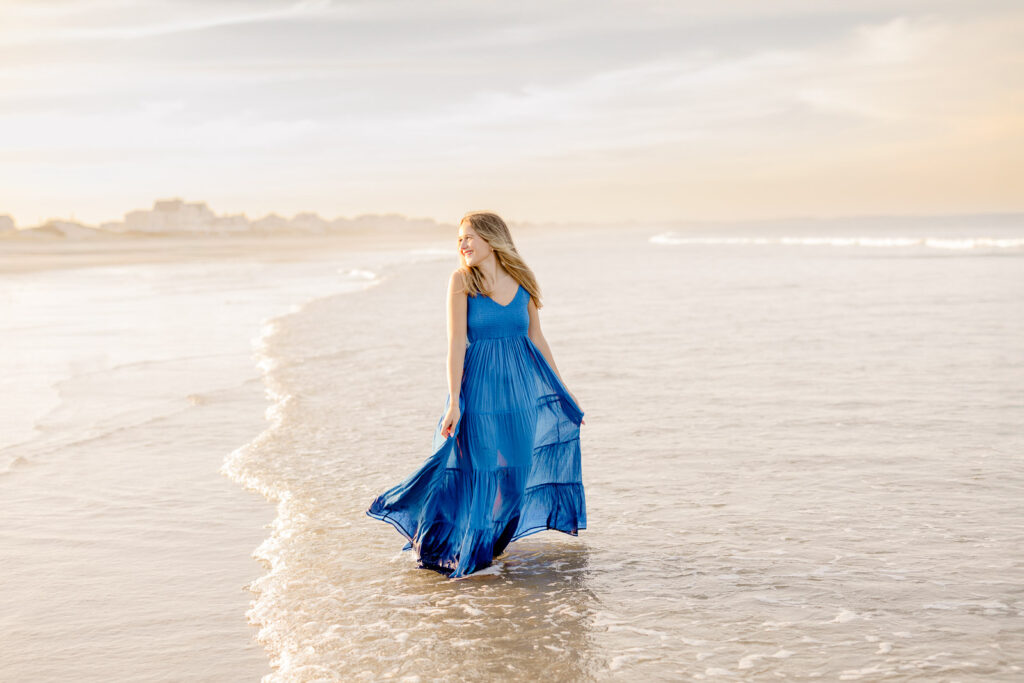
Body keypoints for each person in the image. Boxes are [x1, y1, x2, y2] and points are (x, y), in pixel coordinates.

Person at [366, 211, 587, 579]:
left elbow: (537, 339)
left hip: (519, 395)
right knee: (482, 471)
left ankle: (493, 547)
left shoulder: (522, 281)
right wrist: (454, 400)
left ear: (492, 238)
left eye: (469, 237)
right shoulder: (460, 282)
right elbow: (455, 345)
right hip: (478, 394)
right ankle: (472, 552)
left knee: (515, 476)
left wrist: (563, 391)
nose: (463, 245)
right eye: (459, 240)